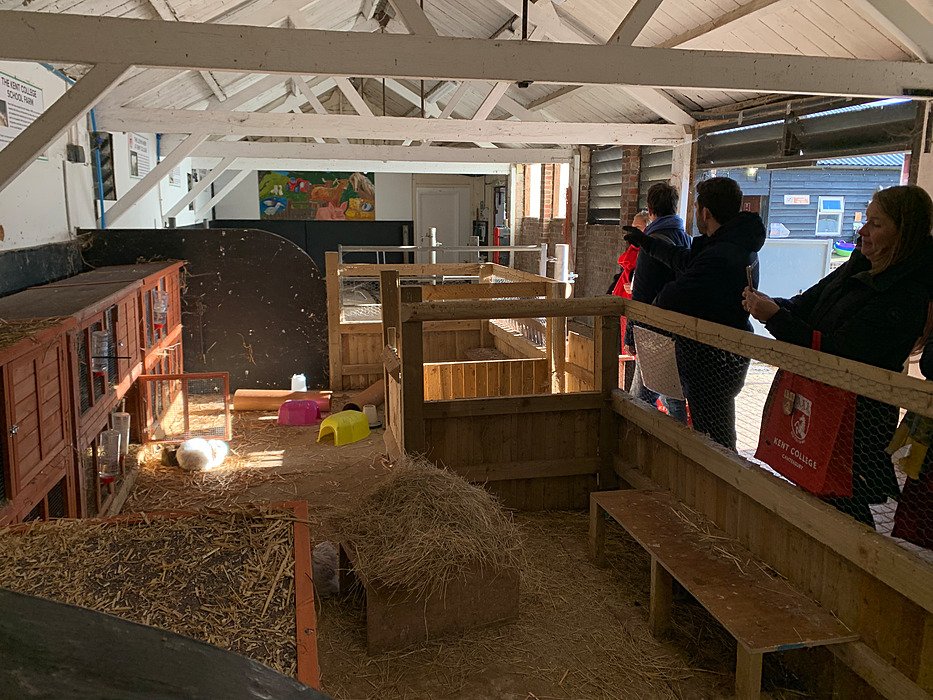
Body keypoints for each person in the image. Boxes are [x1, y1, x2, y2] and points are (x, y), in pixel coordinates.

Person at [743, 184, 933, 527]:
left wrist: (774, 317)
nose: (863, 232)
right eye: (867, 222)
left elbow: (840, 351)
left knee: (844, 502)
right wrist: (774, 306)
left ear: (903, 233)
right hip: (822, 400)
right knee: (816, 490)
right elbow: (811, 301)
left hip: (858, 417)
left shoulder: (905, 295)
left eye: (876, 224)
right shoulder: (859, 266)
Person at [625, 176, 766, 450]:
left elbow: (674, 295)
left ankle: (720, 482)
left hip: (713, 358)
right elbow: (684, 259)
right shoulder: (732, 244)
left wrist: (641, 323)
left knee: (714, 436)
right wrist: (648, 243)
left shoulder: (721, 255)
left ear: (706, 212)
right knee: (709, 424)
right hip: (721, 353)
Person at [625, 184, 690, 424]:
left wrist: (630, 335)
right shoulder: (687, 240)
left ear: (650, 209)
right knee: (671, 395)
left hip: (654, 331)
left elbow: (641, 294)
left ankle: (643, 442)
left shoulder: (651, 243)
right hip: (681, 329)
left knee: (646, 398)